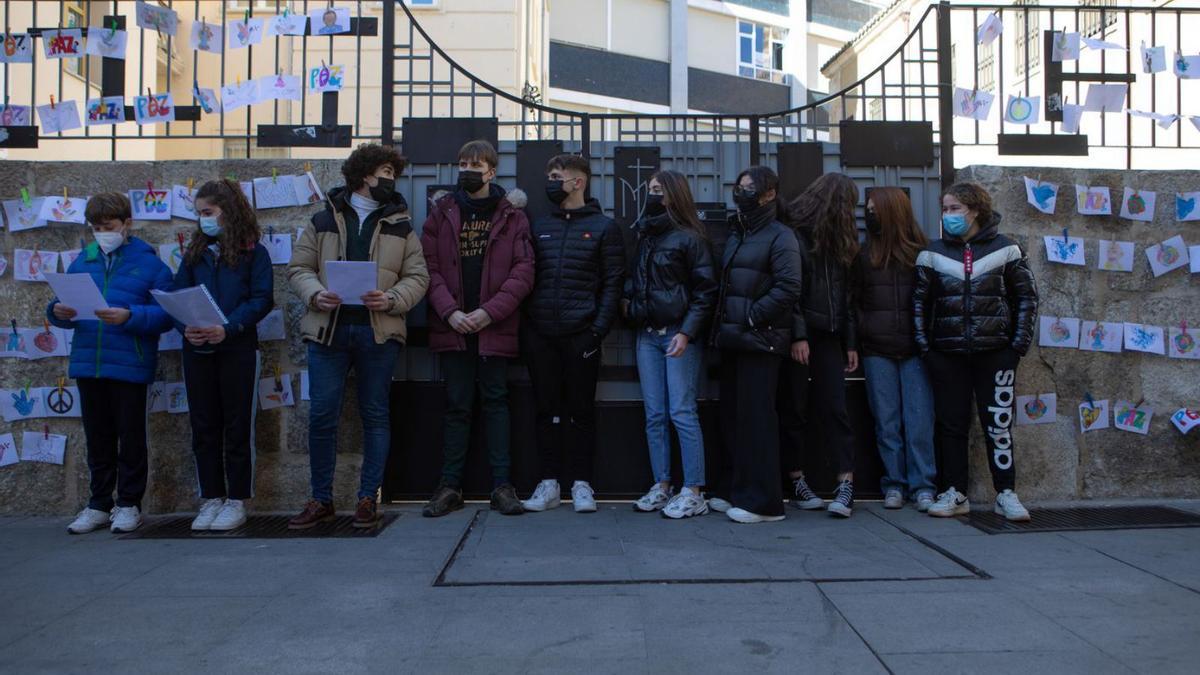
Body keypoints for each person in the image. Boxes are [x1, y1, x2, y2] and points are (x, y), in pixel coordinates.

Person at [286, 143, 429, 529]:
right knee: (321, 417)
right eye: (385, 171)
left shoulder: (402, 225)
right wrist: (315, 292)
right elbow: (299, 267)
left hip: (378, 334)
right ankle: (321, 500)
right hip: (327, 332)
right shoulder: (322, 220)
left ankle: (368, 498)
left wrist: (393, 298)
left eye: (393, 173)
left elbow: (418, 277)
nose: (390, 179)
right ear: (364, 174)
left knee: (375, 416)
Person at [420, 140, 535, 518]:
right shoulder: (442, 212)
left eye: (476, 163)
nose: (467, 169)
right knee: (456, 405)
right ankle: (449, 486)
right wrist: (450, 312)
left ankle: (502, 486)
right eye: (463, 162)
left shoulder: (512, 216)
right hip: (452, 326)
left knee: (497, 403)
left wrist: (488, 313)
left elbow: (523, 272)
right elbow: (428, 267)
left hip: (493, 327)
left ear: (491, 171)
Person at [51, 193, 174, 534]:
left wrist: (130, 315)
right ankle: (98, 503)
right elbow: (63, 303)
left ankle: (129, 504)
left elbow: (167, 314)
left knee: (130, 436)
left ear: (127, 224)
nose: (103, 233)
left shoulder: (150, 263)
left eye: (109, 226)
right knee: (97, 437)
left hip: (130, 362)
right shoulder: (84, 259)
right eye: (96, 227)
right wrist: (57, 311)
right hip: (89, 360)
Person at [914, 182, 1038, 521]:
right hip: (946, 355)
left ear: (975, 210)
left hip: (995, 353)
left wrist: (1017, 346)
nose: (948, 215)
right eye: (945, 209)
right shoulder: (932, 252)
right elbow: (919, 304)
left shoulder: (1007, 249)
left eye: (955, 209)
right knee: (950, 426)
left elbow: (1027, 298)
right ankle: (954, 493)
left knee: (998, 424)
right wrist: (926, 348)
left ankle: (1006, 493)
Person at [521, 154, 624, 514]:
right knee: (545, 409)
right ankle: (548, 484)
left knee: (581, 411)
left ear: (577, 182)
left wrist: (596, 332)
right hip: (540, 334)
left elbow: (613, 284)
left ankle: (582, 484)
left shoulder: (604, 227)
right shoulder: (538, 225)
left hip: (582, 335)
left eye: (556, 176)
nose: (550, 182)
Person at [174, 179, 274, 532]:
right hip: (197, 350)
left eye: (208, 212)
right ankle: (211, 498)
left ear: (228, 211)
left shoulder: (254, 253)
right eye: (199, 213)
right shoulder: (194, 254)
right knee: (203, 426)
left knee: (236, 427)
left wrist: (228, 328)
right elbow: (176, 295)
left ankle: (236, 500)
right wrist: (183, 325)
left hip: (237, 350)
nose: (203, 219)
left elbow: (262, 299)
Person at [624, 170, 718, 519]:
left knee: (682, 412)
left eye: (658, 189)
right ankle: (661, 485)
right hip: (647, 334)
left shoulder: (690, 238)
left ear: (674, 195)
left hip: (679, 333)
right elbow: (634, 282)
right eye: (649, 188)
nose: (652, 194)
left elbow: (706, 291)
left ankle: (693, 490)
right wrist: (631, 308)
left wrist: (686, 332)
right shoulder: (645, 234)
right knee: (655, 414)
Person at [711, 167, 802, 524]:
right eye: (739, 186)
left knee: (757, 421)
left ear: (769, 194)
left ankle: (764, 502)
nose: (741, 192)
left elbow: (789, 286)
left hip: (761, 340)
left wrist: (751, 317)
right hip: (734, 340)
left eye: (749, 188)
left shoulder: (781, 236)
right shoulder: (739, 233)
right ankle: (734, 489)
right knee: (732, 417)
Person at [852, 187, 936, 512]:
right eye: (867, 209)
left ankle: (923, 485)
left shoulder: (923, 253)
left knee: (919, 421)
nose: (869, 215)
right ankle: (894, 484)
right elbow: (854, 301)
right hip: (876, 349)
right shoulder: (863, 255)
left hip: (916, 349)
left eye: (874, 209)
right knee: (886, 422)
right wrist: (862, 334)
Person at [784, 173, 860, 518]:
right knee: (796, 408)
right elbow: (793, 290)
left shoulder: (842, 240)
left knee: (835, 408)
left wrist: (850, 342)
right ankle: (797, 479)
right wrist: (798, 334)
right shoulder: (798, 234)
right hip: (802, 335)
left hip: (829, 335)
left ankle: (845, 483)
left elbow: (847, 297)